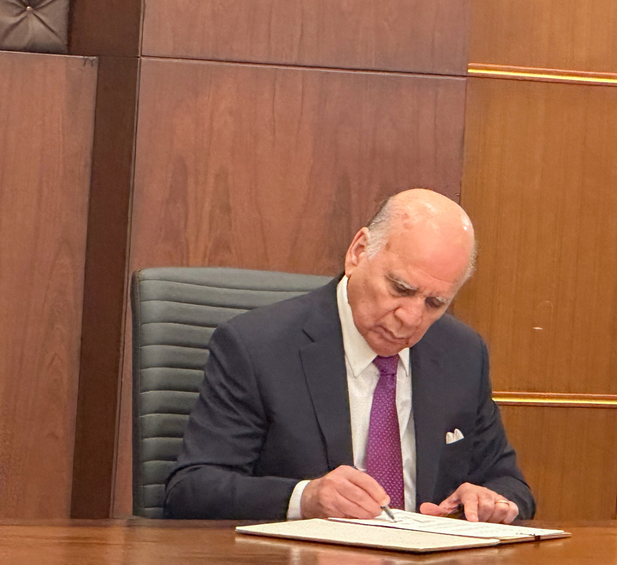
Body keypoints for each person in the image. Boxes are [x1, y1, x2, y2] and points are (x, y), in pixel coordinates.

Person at [165, 189, 534, 523]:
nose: (411, 317)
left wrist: (489, 501)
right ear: (358, 253)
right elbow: (192, 489)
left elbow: (509, 484)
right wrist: (304, 499)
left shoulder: (462, 354)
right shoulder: (256, 347)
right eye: (400, 288)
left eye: (435, 303)